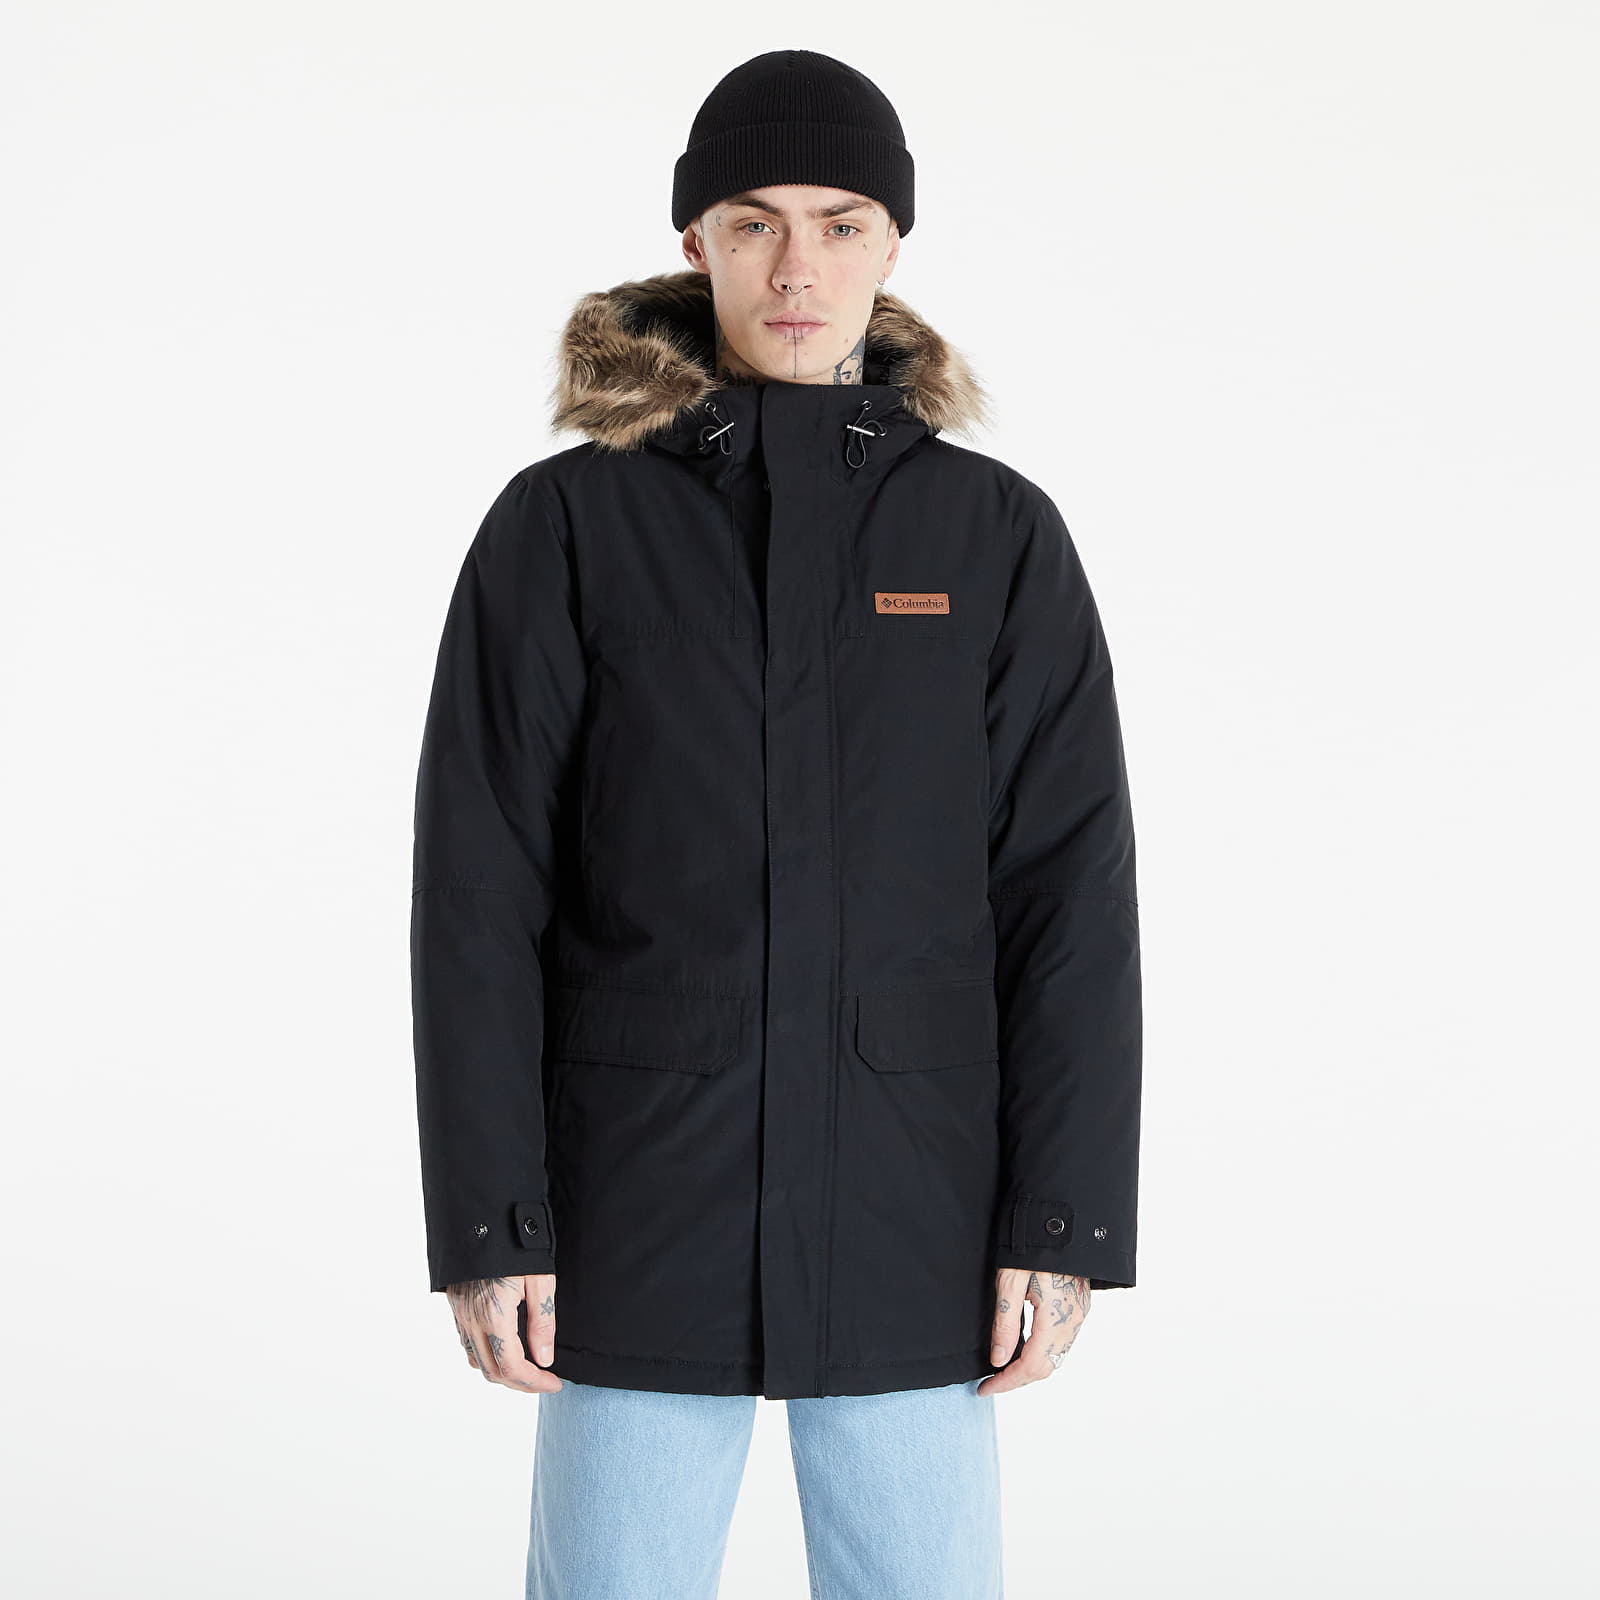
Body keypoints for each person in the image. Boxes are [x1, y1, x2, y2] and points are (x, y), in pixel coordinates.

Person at [409, 48, 1143, 1600]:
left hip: (917, 1205)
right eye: (754, 222)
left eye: (840, 222)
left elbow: (1068, 895)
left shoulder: (994, 536)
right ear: (696, 241)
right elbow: (479, 890)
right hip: (629, 1202)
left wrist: (1062, 1217)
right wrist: (491, 1222)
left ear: (894, 244)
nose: (797, 267)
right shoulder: (568, 526)